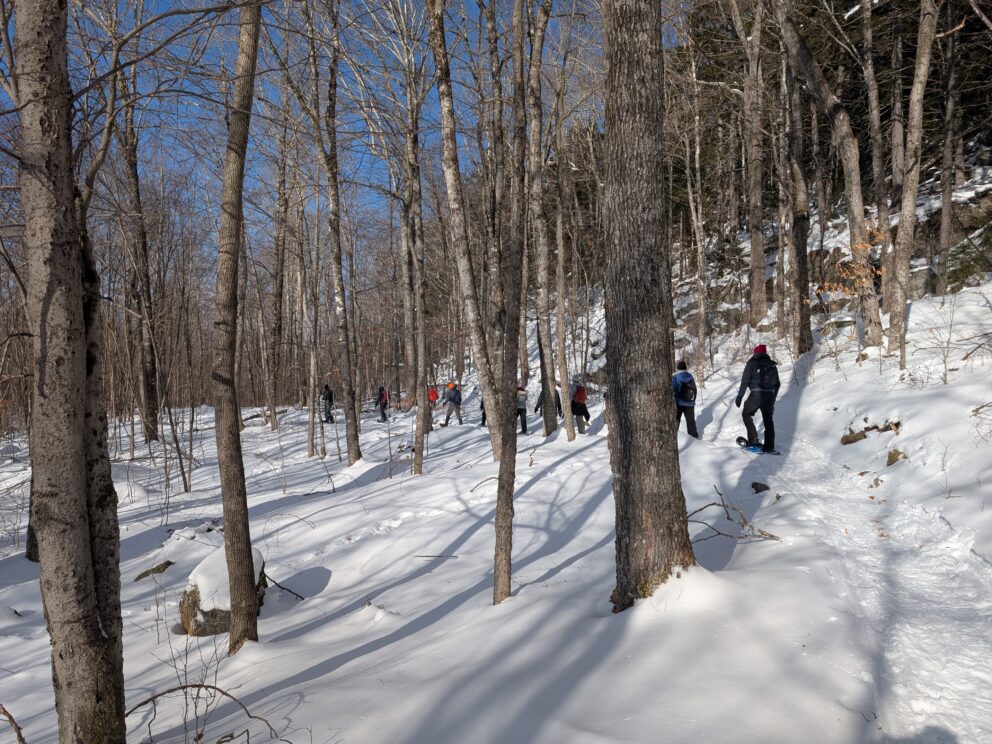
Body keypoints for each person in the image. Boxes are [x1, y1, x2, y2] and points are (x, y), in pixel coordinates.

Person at [735, 344, 780, 453]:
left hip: (757, 394)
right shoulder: (772, 365)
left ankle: (753, 440)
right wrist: (773, 399)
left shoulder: (752, 363)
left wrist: (739, 397)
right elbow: (778, 384)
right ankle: (770, 447)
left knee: (746, 414)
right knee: (768, 420)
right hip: (770, 395)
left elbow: (745, 381)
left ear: (756, 353)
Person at [671, 360, 699, 438]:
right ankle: (694, 437)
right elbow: (694, 389)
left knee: (676, 420)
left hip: (679, 402)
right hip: (690, 403)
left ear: (677, 368)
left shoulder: (675, 377)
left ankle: (674, 436)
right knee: (690, 421)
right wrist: (692, 400)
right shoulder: (690, 376)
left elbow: (674, 389)